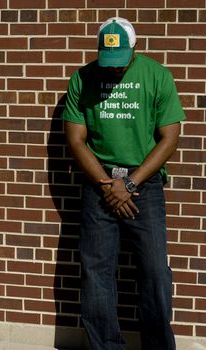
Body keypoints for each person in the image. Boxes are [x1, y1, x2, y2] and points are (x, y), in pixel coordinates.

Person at [61, 17, 186, 350]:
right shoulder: (82, 78)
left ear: (136, 47)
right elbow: (76, 140)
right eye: (108, 62)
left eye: (121, 62)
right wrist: (107, 185)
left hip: (144, 187)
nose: (114, 70)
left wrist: (129, 184)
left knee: (155, 273)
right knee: (97, 274)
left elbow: (170, 137)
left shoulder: (157, 76)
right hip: (98, 183)